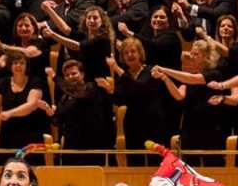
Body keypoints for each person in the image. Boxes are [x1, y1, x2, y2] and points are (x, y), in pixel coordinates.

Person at [152, 39, 228, 167]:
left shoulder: (214, 74)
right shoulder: (190, 76)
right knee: (192, 170)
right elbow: (179, 95)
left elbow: (192, 79)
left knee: (213, 169)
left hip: (210, 131)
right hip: (190, 130)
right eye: (191, 54)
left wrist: (164, 69)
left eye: (196, 54)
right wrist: (165, 78)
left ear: (207, 57)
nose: (192, 57)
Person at [103, 37, 166, 166]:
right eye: (126, 53)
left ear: (140, 53)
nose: (130, 55)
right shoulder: (123, 76)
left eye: (133, 51)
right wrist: (109, 91)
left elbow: (139, 87)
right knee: (135, 162)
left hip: (152, 122)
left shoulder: (150, 71)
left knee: (154, 161)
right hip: (132, 122)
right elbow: (120, 100)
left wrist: (116, 68)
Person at [39, 59, 113, 166]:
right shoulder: (65, 97)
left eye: (74, 73)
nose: (70, 77)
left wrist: (55, 77)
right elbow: (58, 122)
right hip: (71, 145)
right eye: (67, 75)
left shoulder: (90, 88)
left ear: (82, 74)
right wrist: (49, 111)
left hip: (92, 145)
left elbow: (79, 94)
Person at [0, 51, 47, 164]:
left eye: (22, 63)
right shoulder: (3, 82)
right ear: (10, 66)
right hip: (8, 133)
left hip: (30, 132)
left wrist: (9, 113)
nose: (18, 66)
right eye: (15, 63)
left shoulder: (35, 81)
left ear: (27, 66)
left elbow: (31, 105)